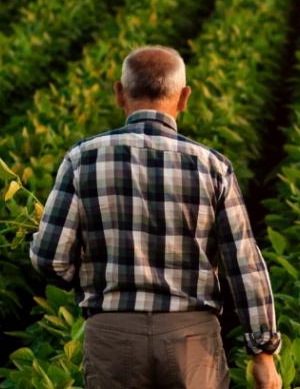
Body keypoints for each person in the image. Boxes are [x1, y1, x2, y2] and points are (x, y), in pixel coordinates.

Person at [29, 45, 283, 389]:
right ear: (184, 98)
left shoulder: (81, 159)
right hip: (191, 338)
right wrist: (263, 354)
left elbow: (50, 258)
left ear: (120, 94)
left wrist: (83, 272)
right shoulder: (212, 166)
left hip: (113, 334)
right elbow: (244, 265)